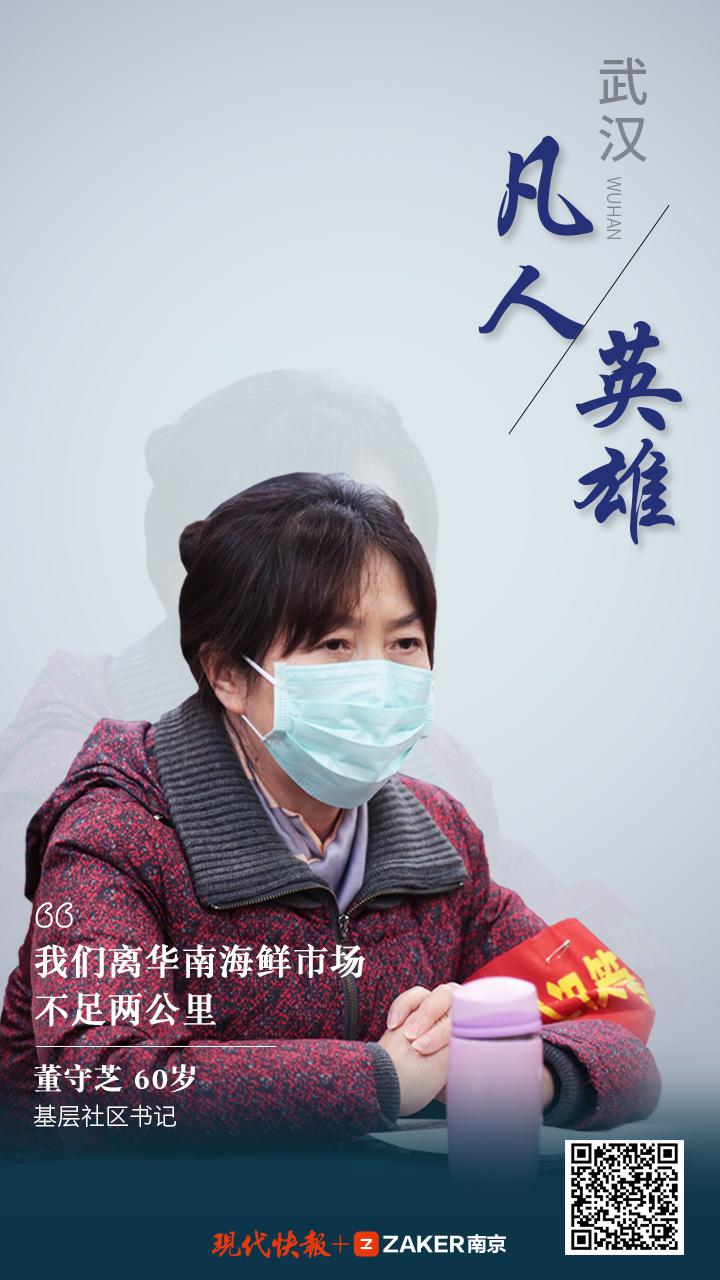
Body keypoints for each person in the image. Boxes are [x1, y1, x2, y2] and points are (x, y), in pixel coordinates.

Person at [0, 472, 661, 1153]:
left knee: (635, 1204)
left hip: (369, 1209)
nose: (378, 680)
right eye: (335, 645)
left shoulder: (441, 836)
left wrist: (524, 1067)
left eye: (404, 644)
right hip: (116, 1213)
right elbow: (99, 1079)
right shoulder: (116, 830)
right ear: (227, 674)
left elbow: (617, 1028)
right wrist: (383, 1078)